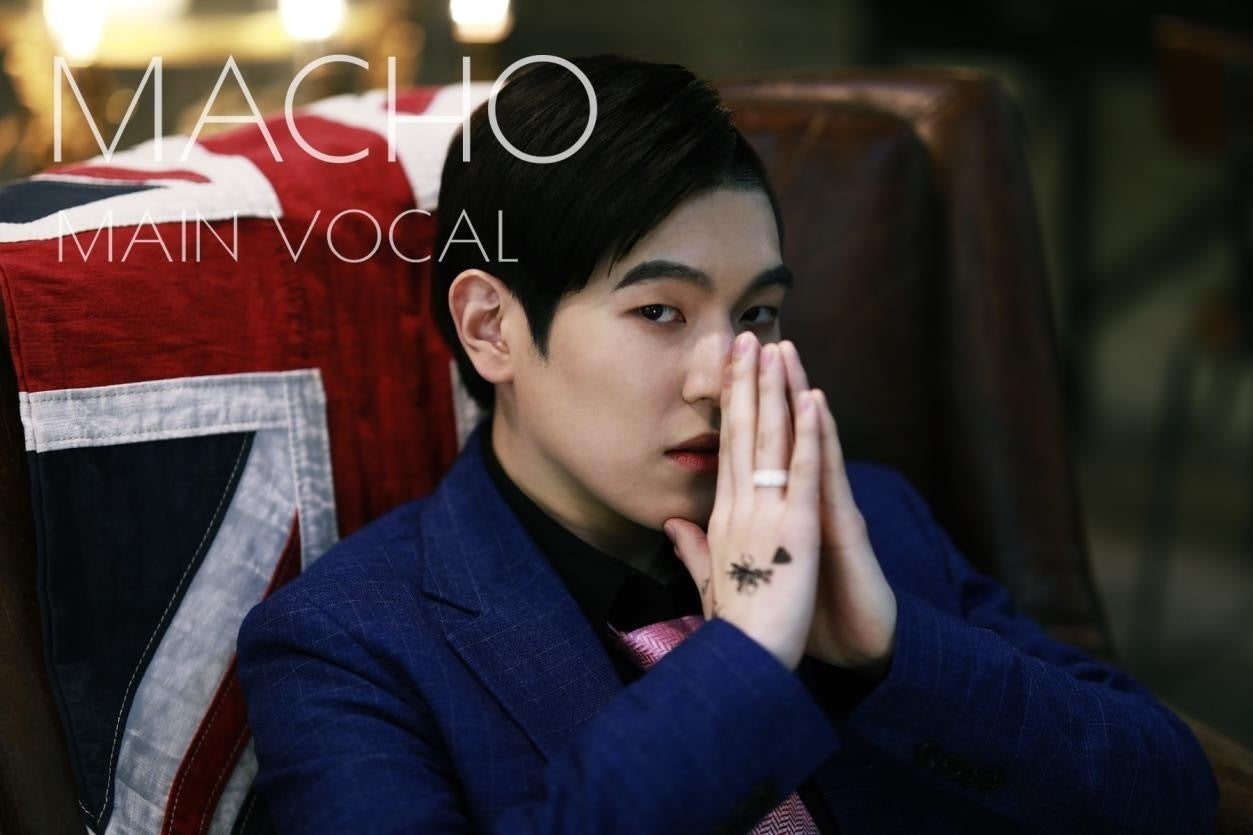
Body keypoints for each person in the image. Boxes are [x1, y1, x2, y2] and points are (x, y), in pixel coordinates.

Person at [235, 55, 1219, 834]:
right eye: (660, 311)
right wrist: (742, 663)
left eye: (757, 313)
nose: (724, 372)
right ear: (491, 327)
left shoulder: (866, 518)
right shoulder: (343, 641)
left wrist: (889, 652)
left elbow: (1170, 790)